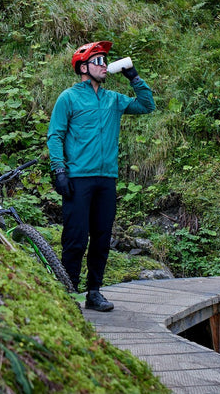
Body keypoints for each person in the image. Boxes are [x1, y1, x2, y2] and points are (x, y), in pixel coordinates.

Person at [47, 41, 155, 312]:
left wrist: (134, 77)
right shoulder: (68, 98)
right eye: (98, 61)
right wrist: (59, 170)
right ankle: (69, 294)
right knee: (75, 238)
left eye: (105, 61)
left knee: (102, 238)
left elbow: (146, 105)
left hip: (106, 178)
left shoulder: (113, 99)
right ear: (83, 67)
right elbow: (55, 135)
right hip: (78, 178)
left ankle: (94, 292)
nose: (104, 66)